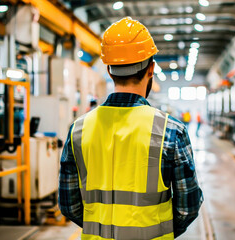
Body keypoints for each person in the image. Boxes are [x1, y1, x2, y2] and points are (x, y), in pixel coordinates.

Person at [58, 17, 203, 240]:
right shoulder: (171, 130)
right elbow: (187, 207)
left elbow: (70, 205)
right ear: (151, 69)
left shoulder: (78, 130)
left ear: (109, 70)